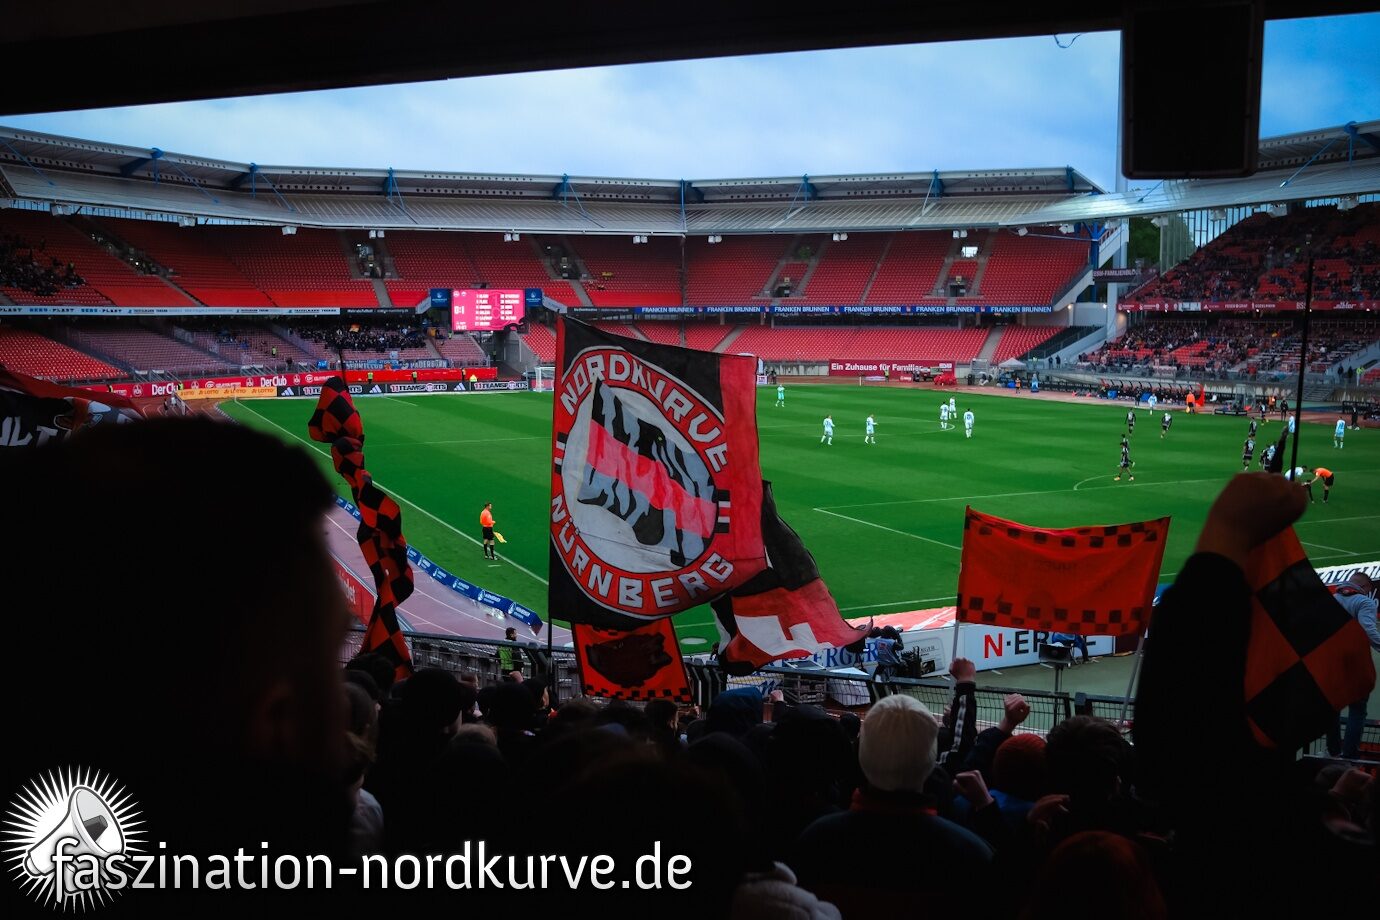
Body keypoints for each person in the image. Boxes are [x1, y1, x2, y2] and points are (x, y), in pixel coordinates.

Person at [1326, 574, 1378, 758]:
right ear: (1365, 586)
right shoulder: (1364, 602)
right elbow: (1369, 631)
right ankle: (1349, 756)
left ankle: (1333, 752)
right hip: (1355, 664)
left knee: (1333, 708)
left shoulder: (1331, 600)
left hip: (1331, 664)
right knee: (1357, 709)